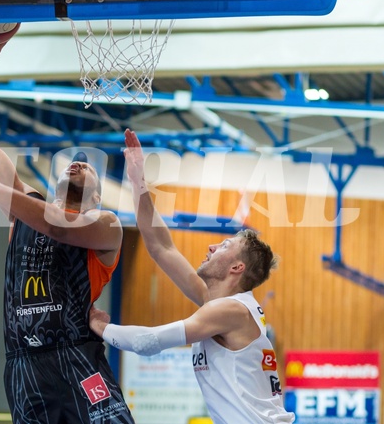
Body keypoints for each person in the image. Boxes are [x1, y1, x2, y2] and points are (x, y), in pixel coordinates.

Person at [0, 29, 135, 424]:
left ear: (96, 198)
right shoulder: (27, 207)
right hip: (24, 366)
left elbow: (59, 229)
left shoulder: (106, 226)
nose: (77, 162)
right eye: (71, 162)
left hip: (76, 356)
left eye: (88, 168)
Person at [88, 128, 294, 424]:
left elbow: (150, 341)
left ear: (237, 268)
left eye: (224, 245)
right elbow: (160, 246)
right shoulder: (218, 303)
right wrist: (138, 181)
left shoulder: (230, 310)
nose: (212, 246)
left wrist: (99, 325)